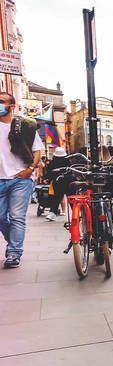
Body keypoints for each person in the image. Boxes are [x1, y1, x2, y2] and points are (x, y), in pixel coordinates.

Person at [0, 92, 43, 268]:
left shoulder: (24, 126)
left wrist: (30, 170)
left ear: (12, 106)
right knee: (1, 217)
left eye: (1, 102)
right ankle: (14, 242)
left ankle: (14, 253)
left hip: (21, 179)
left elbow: (37, 150)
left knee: (17, 217)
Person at [44, 147, 71, 221]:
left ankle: (52, 213)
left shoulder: (52, 162)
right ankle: (76, 213)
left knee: (56, 198)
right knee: (71, 197)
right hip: (68, 181)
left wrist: (48, 179)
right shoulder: (67, 161)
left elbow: (49, 173)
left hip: (57, 182)